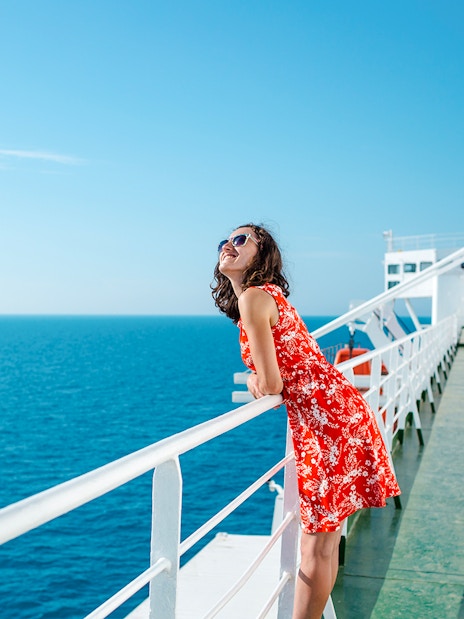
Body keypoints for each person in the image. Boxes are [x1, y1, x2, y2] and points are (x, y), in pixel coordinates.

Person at [211, 223, 401, 619]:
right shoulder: (270, 296)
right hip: (341, 408)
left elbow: (272, 383)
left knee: (315, 547)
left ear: (261, 255)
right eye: (225, 241)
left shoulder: (252, 298)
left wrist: (251, 380)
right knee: (325, 545)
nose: (229, 244)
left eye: (241, 239)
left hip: (323, 422)